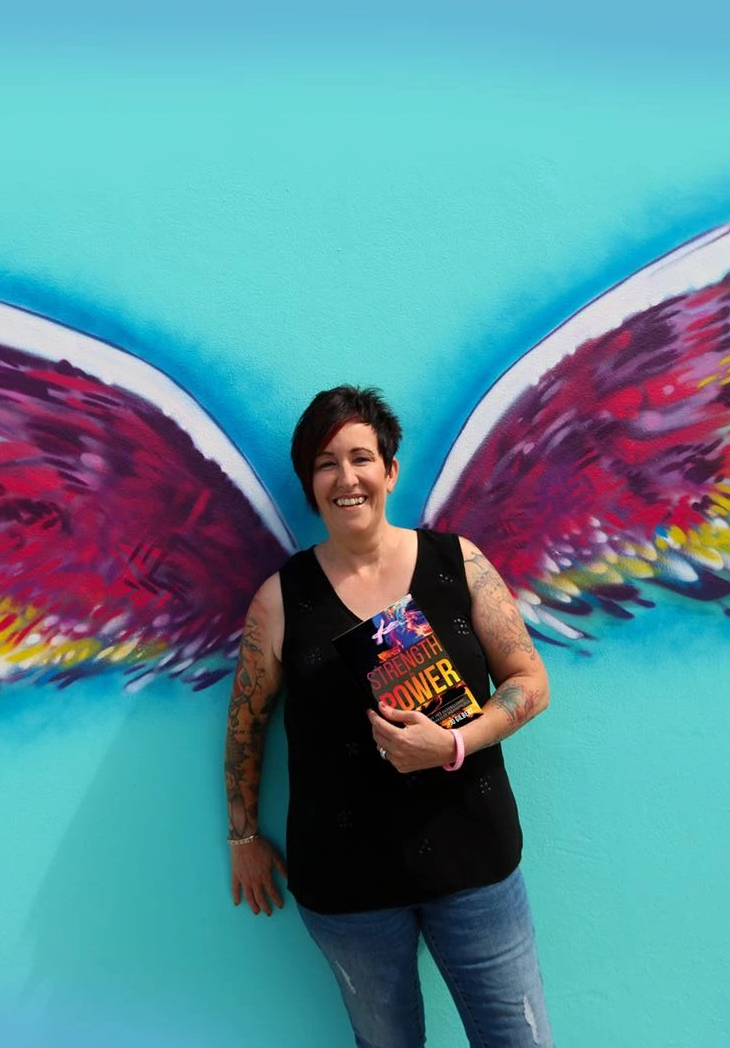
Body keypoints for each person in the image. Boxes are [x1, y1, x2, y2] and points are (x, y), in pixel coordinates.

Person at [223, 385, 554, 1048]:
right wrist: (243, 837)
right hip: (349, 888)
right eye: (325, 463)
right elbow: (244, 726)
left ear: (390, 470)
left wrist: (455, 743)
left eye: (361, 458)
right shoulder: (281, 601)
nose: (346, 478)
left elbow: (531, 681)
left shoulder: (456, 564)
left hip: (476, 865)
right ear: (309, 484)